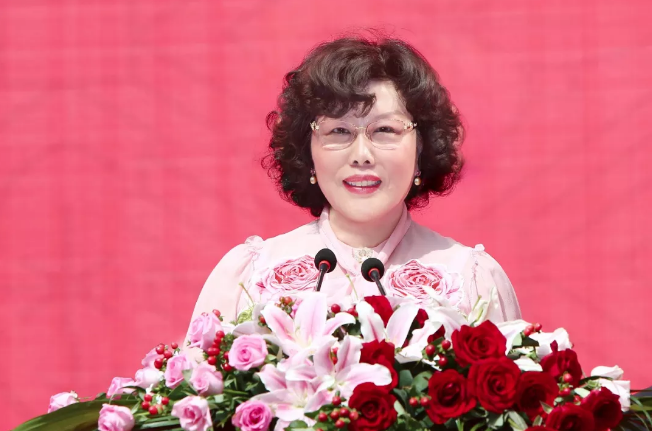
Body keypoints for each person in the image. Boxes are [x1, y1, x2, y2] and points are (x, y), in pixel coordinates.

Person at [187, 35, 521, 329]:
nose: (362, 155)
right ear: (308, 152)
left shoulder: (471, 279)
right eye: (339, 131)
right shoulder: (248, 277)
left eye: (385, 130)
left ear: (422, 150)